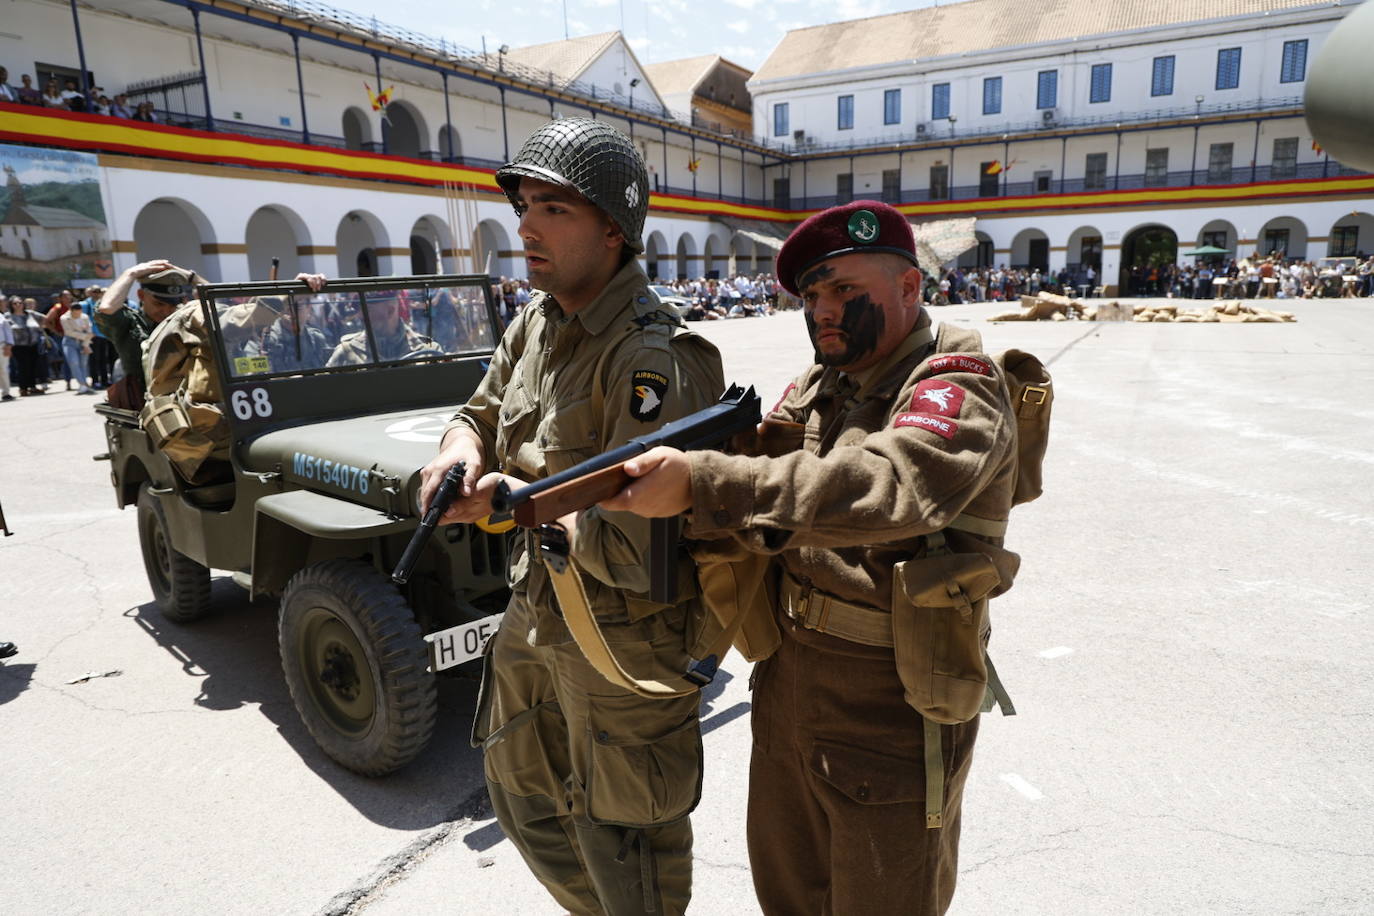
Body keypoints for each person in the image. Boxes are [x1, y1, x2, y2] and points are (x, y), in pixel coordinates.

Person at [601, 200, 1022, 916]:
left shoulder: (955, 383)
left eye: (846, 292)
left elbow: (888, 485)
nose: (824, 310)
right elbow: (776, 471)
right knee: (787, 890)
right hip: (788, 674)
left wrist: (706, 484)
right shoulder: (825, 380)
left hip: (889, 694)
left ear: (909, 289)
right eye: (812, 296)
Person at [417, 118, 725, 916]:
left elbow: (634, 542)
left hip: (624, 631)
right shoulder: (537, 321)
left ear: (614, 231)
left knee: (623, 837)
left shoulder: (654, 358)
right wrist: (457, 453)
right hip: (537, 605)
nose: (524, 224)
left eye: (553, 207)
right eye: (525, 204)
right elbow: (478, 411)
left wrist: (512, 506)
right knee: (519, 791)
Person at [95, 260, 196, 409]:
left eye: (172, 305)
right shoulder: (130, 323)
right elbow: (107, 308)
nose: (166, 311)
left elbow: (221, 311)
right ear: (141, 295)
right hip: (146, 405)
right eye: (159, 304)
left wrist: (191, 277)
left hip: (189, 399)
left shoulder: (184, 319)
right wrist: (130, 273)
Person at [325, 291, 433, 366]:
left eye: (368, 310)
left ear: (390, 311)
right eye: (359, 310)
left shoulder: (427, 350)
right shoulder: (347, 351)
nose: (360, 316)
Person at [242, 294, 332, 372]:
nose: (291, 312)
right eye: (287, 307)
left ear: (308, 308)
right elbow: (251, 375)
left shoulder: (316, 339)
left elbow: (328, 369)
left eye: (297, 307)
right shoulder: (263, 341)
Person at [60, 297, 94, 393]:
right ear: (71, 311)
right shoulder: (64, 318)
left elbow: (89, 330)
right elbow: (69, 332)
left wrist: (86, 344)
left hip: (84, 342)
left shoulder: (85, 317)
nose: (78, 314)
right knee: (74, 362)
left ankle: (85, 384)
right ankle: (82, 384)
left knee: (83, 364)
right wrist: (85, 336)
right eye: (76, 312)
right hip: (70, 342)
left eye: (79, 312)